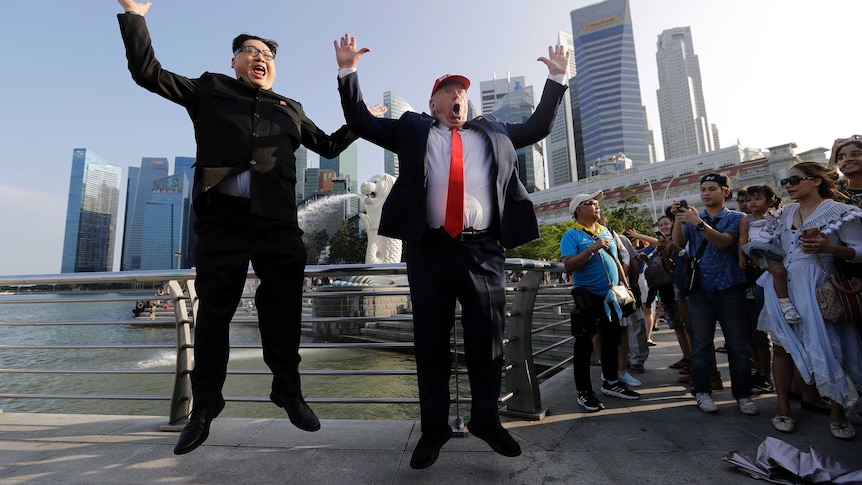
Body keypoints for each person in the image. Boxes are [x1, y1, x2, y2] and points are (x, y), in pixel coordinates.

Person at [117, 1, 368, 455]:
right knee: (215, 317)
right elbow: (147, 72)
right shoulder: (209, 89)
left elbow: (330, 144)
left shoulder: (290, 108)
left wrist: (352, 92)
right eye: (251, 52)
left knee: (284, 312)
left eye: (268, 56)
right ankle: (205, 408)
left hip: (277, 225)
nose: (261, 59)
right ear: (234, 60)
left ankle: (287, 391)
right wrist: (135, 15)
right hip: (222, 223)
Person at [334, 33, 569, 469]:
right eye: (448, 92)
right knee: (430, 342)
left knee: (487, 339)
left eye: (462, 92)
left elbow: (539, 127)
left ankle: (486, 419)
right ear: (434, 103)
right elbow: (363, 123)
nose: (457, 97)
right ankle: (434, 427)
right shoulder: (413, 130)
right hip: (430, 250)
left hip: (482, 251)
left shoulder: (493, 131)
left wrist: (556, 77)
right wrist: (349, 71)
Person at [757, 161, 862, 439]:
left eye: (795, 180)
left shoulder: (841, 212)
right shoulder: (785, 212)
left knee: (830, 346)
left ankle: (838, 414)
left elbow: (860, 251)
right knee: (780, 348)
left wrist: (830, 247)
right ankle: (782, 409)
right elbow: (775, 247)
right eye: (786, 182)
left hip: (817, 286)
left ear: (816, 181)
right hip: (780, 287)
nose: (789, 186)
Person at [672, 173, 758, 416]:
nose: (706, 193)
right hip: (700, 289)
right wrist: (680, 219)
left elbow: (722, 242)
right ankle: (702, 391)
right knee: (700, 345)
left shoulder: (736, 217)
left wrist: (698, 222)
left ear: (725, 192)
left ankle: (743, 395)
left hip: (731, 287)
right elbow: (678, 243)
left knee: (737, 345)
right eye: (703, 190)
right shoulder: (692, 218)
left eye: (712, 189)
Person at [561, 191, 641, 414]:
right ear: (578, 209)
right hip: (587, 295)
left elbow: (615, 262)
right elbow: (568, 265)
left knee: (611, 340)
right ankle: (584, 392)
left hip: (611, 297)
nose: (597, 206)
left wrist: (625, 286)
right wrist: (591, 249)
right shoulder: (572, 235)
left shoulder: (605, 231)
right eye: (590, 203)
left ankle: (612, 382)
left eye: (597, 203)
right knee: (584, 344)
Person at [739, 185, 799, 323]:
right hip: (758, 253)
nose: (752, 203)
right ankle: (785, 304)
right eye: (749, 200)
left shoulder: (776, 217)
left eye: (757, 199)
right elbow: (742, 239)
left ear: (770, 201)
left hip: (776, 250)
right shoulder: (747, 220)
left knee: (783, 271)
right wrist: (741, 256)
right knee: (778, 271)